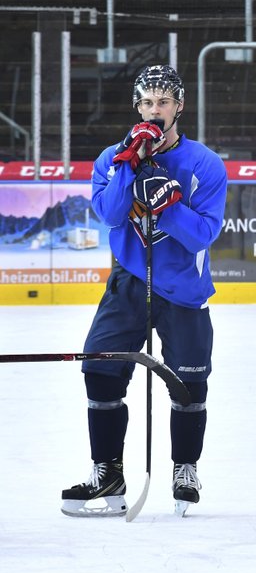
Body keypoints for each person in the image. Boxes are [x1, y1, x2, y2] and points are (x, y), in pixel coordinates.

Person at [61, 65, 228, 517]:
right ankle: (107, 473)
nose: (155, 111)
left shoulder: (205, 164)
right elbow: (112, 215)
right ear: (137, 108)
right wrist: (129, 166)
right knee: (99, 370)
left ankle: (185, 467)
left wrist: (170, 206)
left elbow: (202, 235)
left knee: (190, 385)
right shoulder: (110, 159)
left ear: (179, 107)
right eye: (147, 103)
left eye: (164, 103)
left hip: (185, 290)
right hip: (129, 283)